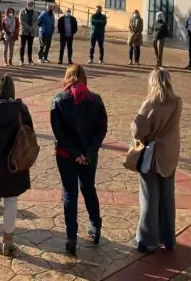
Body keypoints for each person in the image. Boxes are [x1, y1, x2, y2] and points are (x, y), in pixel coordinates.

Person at [51, 64, 108, 255]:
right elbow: (101, 129)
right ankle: (95, 226)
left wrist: (76, 153)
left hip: (67, 154)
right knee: (88, 188)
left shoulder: (59, 99)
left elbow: (59, 132)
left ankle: (71, 237)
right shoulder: (96, 100)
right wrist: (88, 152)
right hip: (88, 154)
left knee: (70, 193)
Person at [0, 74, 34, 255]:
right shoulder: (20, 109)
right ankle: (8, 242)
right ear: (11, 89)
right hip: (14, 161)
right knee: (11, 200)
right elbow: (29, 133)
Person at [132, 68, 183, 252]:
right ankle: (168, 238)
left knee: (149, 197)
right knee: (167, 196)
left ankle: (146, 239)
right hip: (170, 152)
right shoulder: (177, 102)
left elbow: (138, 130)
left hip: (152, 154)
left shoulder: (149, 103)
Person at [18, 1, 38, 65]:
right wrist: (28, 27)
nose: (29, 5)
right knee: (22, 46)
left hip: (31, 32)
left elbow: (36, 21)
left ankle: (30, 60)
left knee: (30, 47)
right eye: (28, 4)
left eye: (31, 4)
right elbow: (21, 21)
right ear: (26, 4)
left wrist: (32, 27)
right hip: (24, 31)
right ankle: (21, 60)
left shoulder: (35, 12)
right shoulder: (22, 11)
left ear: (33, 5)